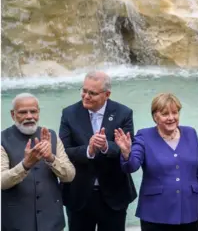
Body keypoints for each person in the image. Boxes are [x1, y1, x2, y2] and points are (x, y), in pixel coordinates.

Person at [114, 93, 198, 231]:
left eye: (175, 112)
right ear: (155, 117)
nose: (171, 117)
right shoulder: (144, 135)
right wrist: (126, 153)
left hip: (189, 210)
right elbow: (132, 166)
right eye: (165, 114)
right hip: (155, 212)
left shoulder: (191, 133)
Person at [59, 71, 137, 231]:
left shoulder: (124, 113)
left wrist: (106, 146)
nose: (86, 96)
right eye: (84, 90)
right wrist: (89, 149)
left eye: (92, 93)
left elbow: (128, 147)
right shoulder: (69, 114)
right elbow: (64, 151)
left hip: (114, 195)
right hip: (79, 195)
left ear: (107, 94)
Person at [2, 93, 75, 231]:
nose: (29, 116)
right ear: (13, 115)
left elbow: (69, 175)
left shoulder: (52, 136)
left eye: (33, 111)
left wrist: (51, 158)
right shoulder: (2, 140)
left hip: (52, 221)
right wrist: (25, 165)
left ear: (38, 113)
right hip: (17, 223)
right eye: (23, 112)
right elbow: (2, 182)